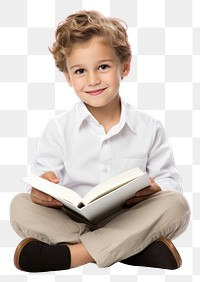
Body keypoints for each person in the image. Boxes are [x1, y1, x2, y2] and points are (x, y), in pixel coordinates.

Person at [10, 10, 190, 273]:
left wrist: (155, 189)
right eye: (80, 71)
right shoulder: (58, 128)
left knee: (177, 205)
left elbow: (169, 182)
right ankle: (132, 249)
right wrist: (41, 191)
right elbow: (41, 182)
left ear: (124, 67)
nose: (93, 80)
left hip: (130, 216)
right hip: (72, 219)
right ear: (69, 78)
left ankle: (74, 254)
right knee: (19, 206)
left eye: (103, 67)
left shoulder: (150, 128)